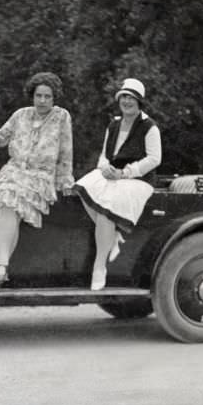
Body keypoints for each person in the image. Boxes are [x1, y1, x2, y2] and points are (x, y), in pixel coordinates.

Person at [0, 72, 74, 291]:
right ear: (32, 95)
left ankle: (1, 266)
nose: (42, 101)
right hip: (13, 172)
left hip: (40, 175)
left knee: (12, 198)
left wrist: (65, 181)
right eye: (38, 95)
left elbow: (66, 151)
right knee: (9, 201)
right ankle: (1, 266)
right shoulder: (21, 115)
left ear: (54, 97)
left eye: (47, 96)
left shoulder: (62, 117)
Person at [74, 78, 162, 290]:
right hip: (113, 174)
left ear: (139, 101)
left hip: (137, 180)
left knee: (106, 207)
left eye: (131, 98)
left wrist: (125, 173)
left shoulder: (149, 127)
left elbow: (154, 159)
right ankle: (112, 236)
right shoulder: (114, 124)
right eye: (123, 96)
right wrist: (105, 168)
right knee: (82, 187)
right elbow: (105, 155)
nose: (126, 101)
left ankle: (99, 266)